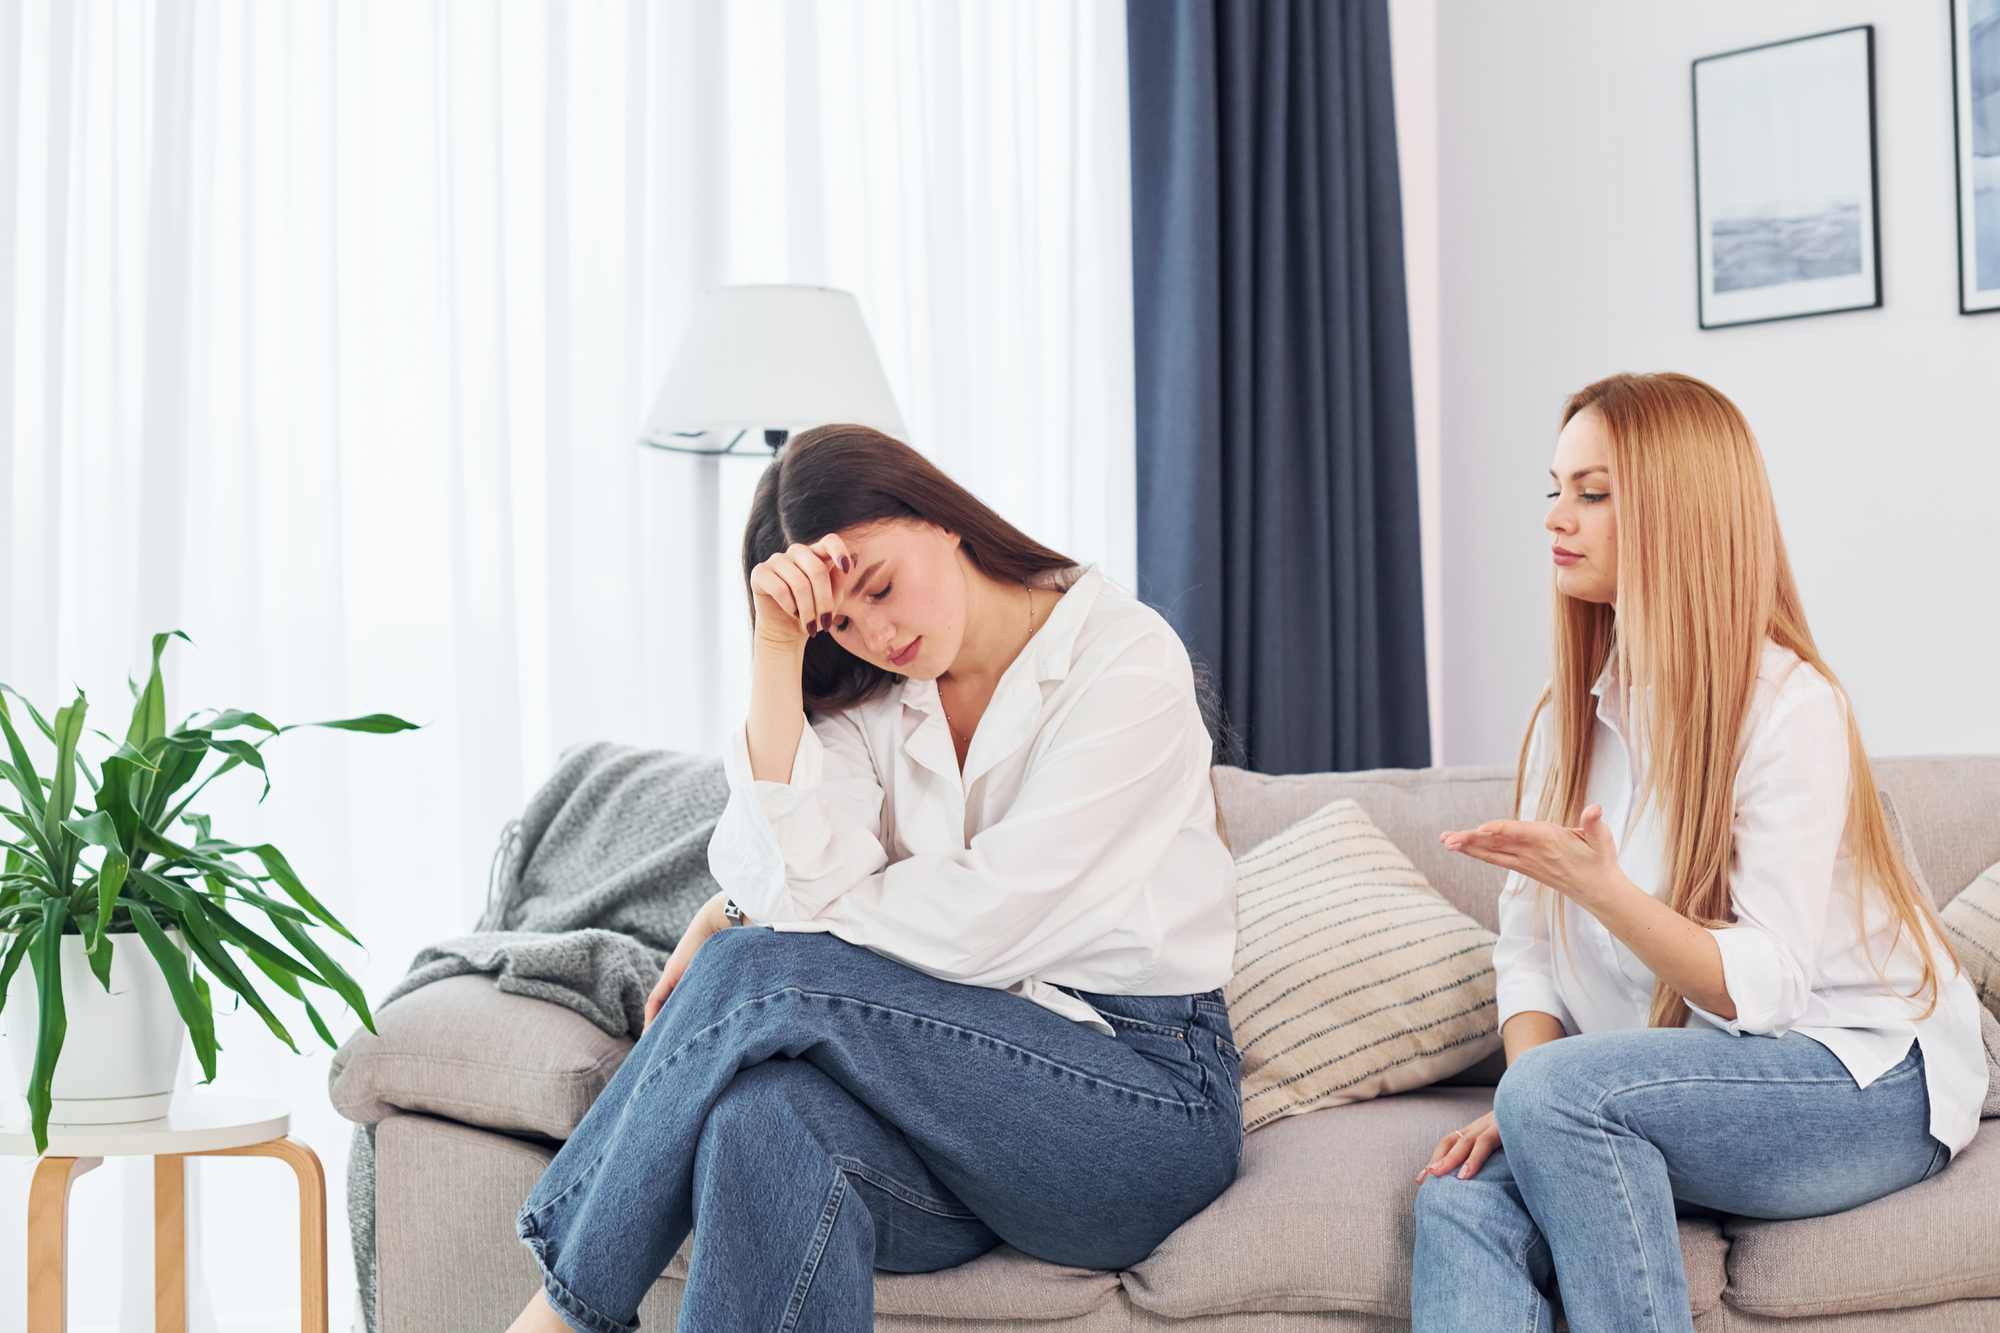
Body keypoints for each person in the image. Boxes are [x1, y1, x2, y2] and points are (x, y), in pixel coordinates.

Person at [506, 424, 1243, 1333]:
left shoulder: (1126, 660)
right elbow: (790, 874)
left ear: (938, 516)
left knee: (750, 970)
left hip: (1136, 1104)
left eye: (881, 587)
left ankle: (557, 1315)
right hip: (954, 1117)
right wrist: (777, 652)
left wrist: (763, 930)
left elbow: (990, 919)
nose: (879, 634)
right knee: (761, 1120)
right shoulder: (873, 697)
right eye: (841, 621)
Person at [1409, 372, 1989, 1332]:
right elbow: (1528, 958)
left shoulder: (1788, 705)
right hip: (1671, 1084)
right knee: (1458, 1191)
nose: (1558, 516)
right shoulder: (1567, 720)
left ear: (1678, 512)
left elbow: (1766, 987)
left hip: (1863, 1078)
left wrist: (1606, 894)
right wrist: (1525, 1103)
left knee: (1550, 1094)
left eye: (1593, 493)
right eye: (1554, 488)